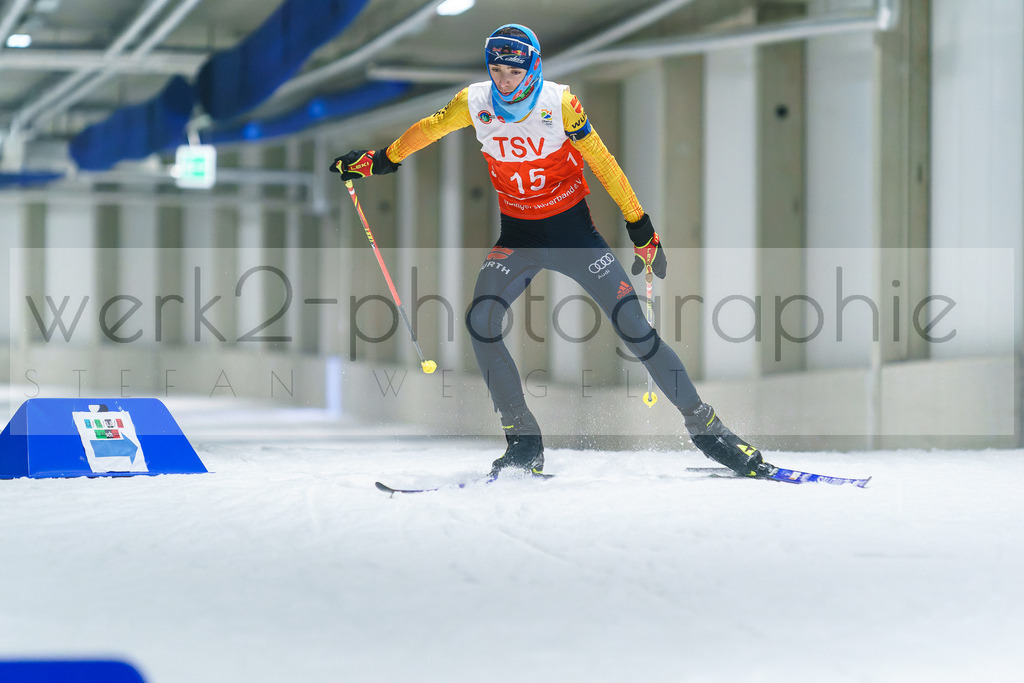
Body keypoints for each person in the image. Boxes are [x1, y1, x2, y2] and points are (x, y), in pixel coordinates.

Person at [331, 23, 773, 480]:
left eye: (513, 71)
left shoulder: (558, 103)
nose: (504, 80)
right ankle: (523, 442)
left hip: (575, 237)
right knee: (480, 320)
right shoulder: (475, 101)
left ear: (534, 67)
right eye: (497, 70)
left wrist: (640, 226)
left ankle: (710, 431)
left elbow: (602, 161)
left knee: (636, 329)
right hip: (517, 239)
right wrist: (383, 159)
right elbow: (430, 127)